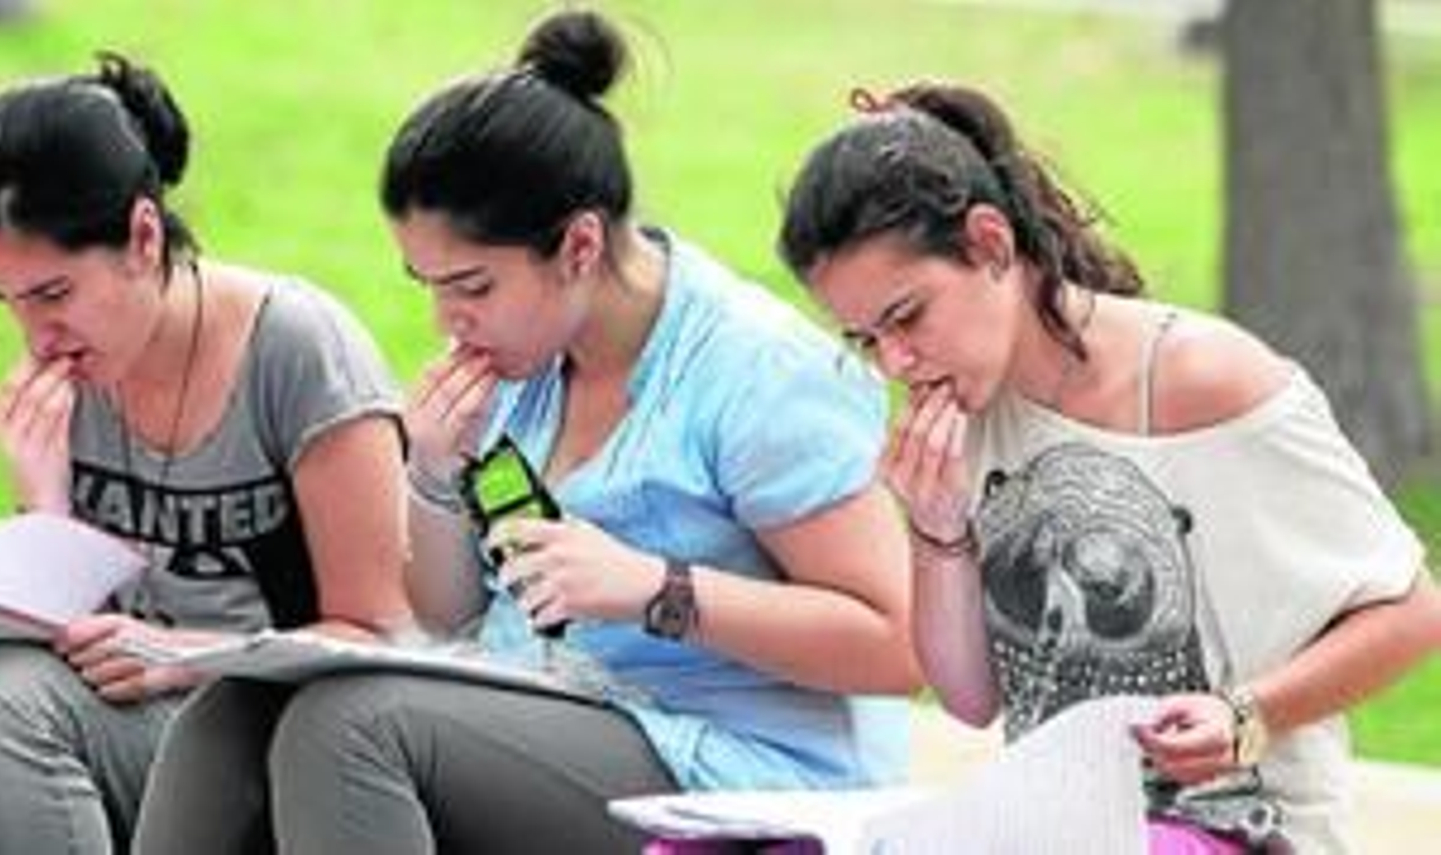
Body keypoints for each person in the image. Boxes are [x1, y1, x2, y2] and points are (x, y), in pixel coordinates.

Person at [136, 10, 920, 854]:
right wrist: (434, 471)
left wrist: (656, 587)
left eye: (471, 284)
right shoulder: (523, 363)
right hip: (550, 706)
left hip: (731, 763)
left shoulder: (753, 374)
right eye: (428, 285)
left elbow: (896, 646)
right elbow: (448, 614)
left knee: (354, 727)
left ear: (579, 245)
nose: (447, 319)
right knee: (233, 714)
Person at [777, 80, 1441, 854]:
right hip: (1054, 828)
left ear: (991, 244)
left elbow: (1414, 610)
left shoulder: (1203, 378)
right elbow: (969, 699)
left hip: (1238, 826)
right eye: (866, 340)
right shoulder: (965, 415)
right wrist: (937, 530)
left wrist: (1245, 713)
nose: (895, 362)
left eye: (907, 317)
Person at [0, 52, 413, 854]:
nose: (34, 336)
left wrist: (190, 657)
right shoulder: (75, 369)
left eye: (53, 294)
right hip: (120, 719)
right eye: (4, 302)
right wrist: (42, 508)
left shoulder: (297, 350)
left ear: (143, 236)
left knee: (4, 700)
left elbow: (384, 631)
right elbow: (81, 636)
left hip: (261, 728)